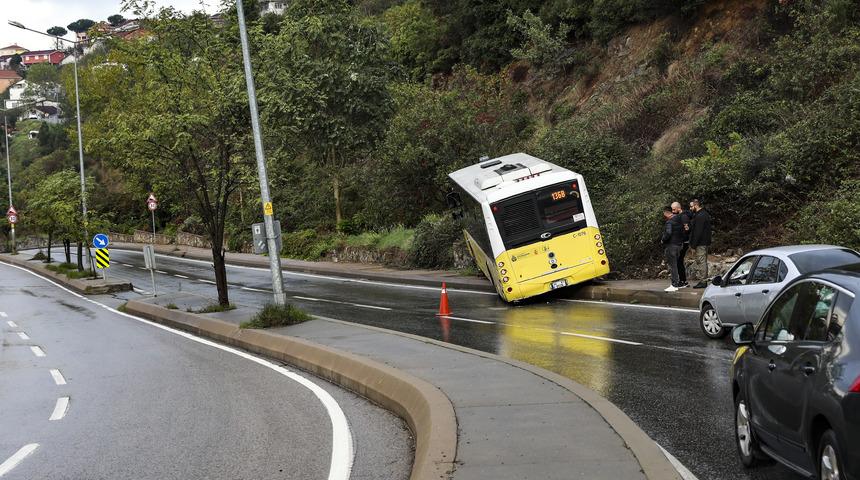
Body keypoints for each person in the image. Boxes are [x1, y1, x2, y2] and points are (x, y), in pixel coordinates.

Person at [688, 199, 712, 288]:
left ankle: (703, 281)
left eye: (691, 206)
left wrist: (693, 245)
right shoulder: (703, 214)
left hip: (701, 243)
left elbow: (698, 232)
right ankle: (703, 280)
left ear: (696, 205)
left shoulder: (700, 216)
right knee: (703, 261)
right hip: (704, 242)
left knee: (701, 261)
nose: (690, 208)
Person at [661, 205, 684, 292]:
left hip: (671, 246)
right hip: (679, 245)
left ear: (666, 213)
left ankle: (674, 284)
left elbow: (668, 233)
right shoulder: (679, 220)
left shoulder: (669, 222)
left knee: (672, 266)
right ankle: (677, 282)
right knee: (676, 264)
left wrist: (663, 240)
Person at [672, 201, 692, 288]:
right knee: (678, 261)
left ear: (679, 208)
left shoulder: (683, 216)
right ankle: (682, 280)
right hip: (681, 242)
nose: (672, 211)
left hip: (683, 242)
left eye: (674, 209)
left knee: (678, 261)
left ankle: (683, 281)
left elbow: (687, 229)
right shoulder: (679, 216)